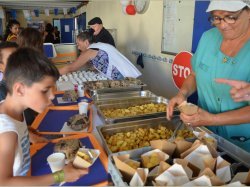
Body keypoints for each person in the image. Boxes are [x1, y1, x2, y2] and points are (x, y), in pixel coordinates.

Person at [167, 0, 250, 152]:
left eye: (231, 17)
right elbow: (194, 73)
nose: (223, 25)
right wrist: (182, 93)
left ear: (249, 12)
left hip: (243, 145)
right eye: (216, 18)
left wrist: (213, 119)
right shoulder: (208, 38)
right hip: (205, 133)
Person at [0, 47, 88, 185]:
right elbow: (4, 183)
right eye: (45, 90)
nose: (52, 96)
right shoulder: (6, 132)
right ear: (20, 89)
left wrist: (27, 131)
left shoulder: (13, 110)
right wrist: (60, 176)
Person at [0, 42, 49, 143]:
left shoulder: (23, 84)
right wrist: (30, 136)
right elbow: (5, 126)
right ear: (1, 66)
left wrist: (26, 128)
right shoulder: (2, 91)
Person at [59, 30, 141, 80]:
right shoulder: (98, 45)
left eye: (79, 44)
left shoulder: (91, 50)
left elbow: (71, 67)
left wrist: (53, 73)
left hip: (125, 78)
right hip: (128, 75)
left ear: (86, 42)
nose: (78, 47)